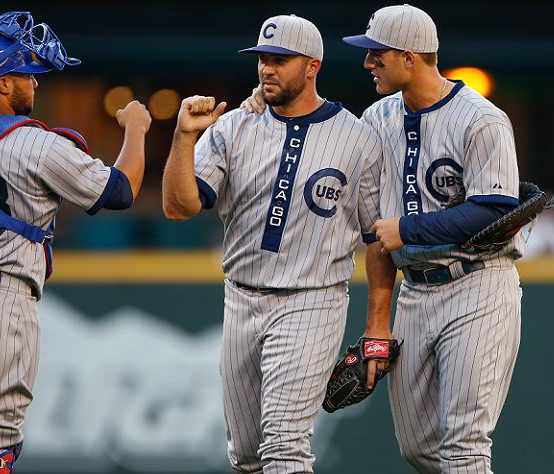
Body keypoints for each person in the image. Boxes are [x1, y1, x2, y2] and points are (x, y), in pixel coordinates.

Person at [243, 4, 523, 473]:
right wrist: (262, 108)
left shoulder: (482, 119)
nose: (367, 62)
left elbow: (495, 207)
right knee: (418, 447)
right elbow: (327, 144)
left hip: (478, 283)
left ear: (409, 58)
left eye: (377, 53)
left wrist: (407, 229)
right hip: (415, 289)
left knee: (465, 446)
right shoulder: (376, 119)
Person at [162, 14, 394, 474]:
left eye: (281, 60)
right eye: (263, 59)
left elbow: (377, 240)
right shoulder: (234, 128)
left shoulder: (358, 139)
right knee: (247, 454)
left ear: (312, 66)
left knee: (285, 447)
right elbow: (179, 207)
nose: (267, 68)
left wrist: (376, 329)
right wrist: (184, 137)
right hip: (242, 298)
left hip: (312, 302)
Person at [0, 11, 151, 474]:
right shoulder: (39, 145)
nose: (35, 85)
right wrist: (136, 129)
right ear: (0, 83)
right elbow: (119, 192)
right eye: (26, 75)